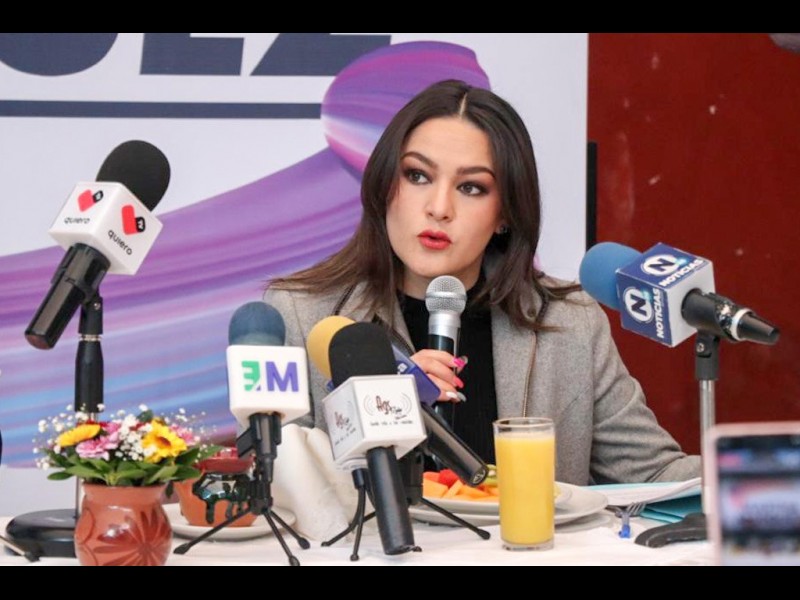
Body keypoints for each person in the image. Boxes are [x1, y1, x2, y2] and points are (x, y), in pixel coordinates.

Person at [265, 79, 700, 485]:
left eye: (471, 187)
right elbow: (281, 488)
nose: (439, 208)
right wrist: (386, 410)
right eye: (417, 176)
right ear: (384, 187)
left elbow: (656, 475)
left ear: (505, 213)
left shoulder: (570, 325)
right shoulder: (302, 315)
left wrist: (739, 468)